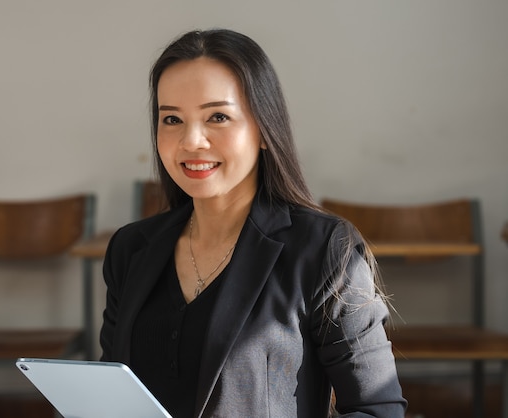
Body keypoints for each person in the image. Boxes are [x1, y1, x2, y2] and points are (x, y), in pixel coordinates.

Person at [99, 28, 407, 417]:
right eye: (172, 119)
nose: (192, 140)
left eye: (217, 116)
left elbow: (378, 408)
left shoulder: (324, 249)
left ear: (263, 129)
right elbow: (108, 396)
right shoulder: (131, 249)